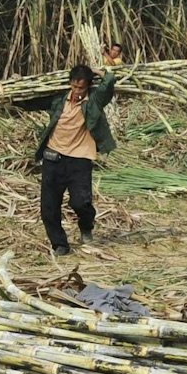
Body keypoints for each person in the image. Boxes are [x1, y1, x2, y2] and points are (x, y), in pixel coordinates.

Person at [36, 45, 122, 256]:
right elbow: (31, 101)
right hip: (53, 157)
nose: (76, 92)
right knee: (49, 207)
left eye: (81, 88)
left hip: (79, 160)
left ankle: (86, 226)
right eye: (73, 87)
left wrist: (101, 72)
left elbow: (109, 84)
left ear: (88, 87)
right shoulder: (58, 100)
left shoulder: (93, 102)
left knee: (81, 202)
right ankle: (60, 245)